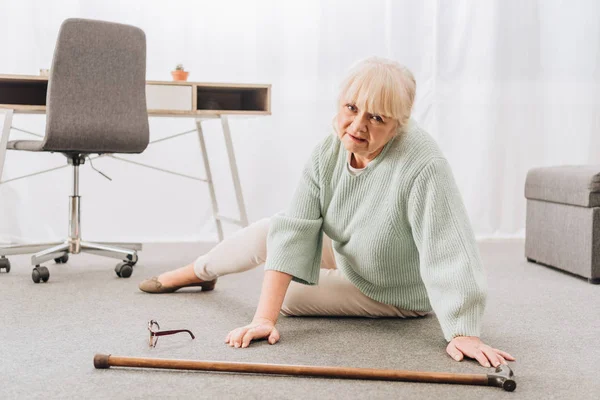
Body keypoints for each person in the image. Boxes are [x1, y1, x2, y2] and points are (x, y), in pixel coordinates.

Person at [139, 56, 515, 368]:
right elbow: (294, 229)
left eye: (377, 118)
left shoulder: (423, 165)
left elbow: (449, 248)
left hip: (392, 289)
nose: (357, 126)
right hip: (353, 252)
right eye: (351, 108)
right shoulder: (329, 149)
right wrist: (262, 320)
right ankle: (195, 272)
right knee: (270, 231)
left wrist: (463, 329)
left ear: (399, 125)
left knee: (287, 297)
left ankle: (260, 287)